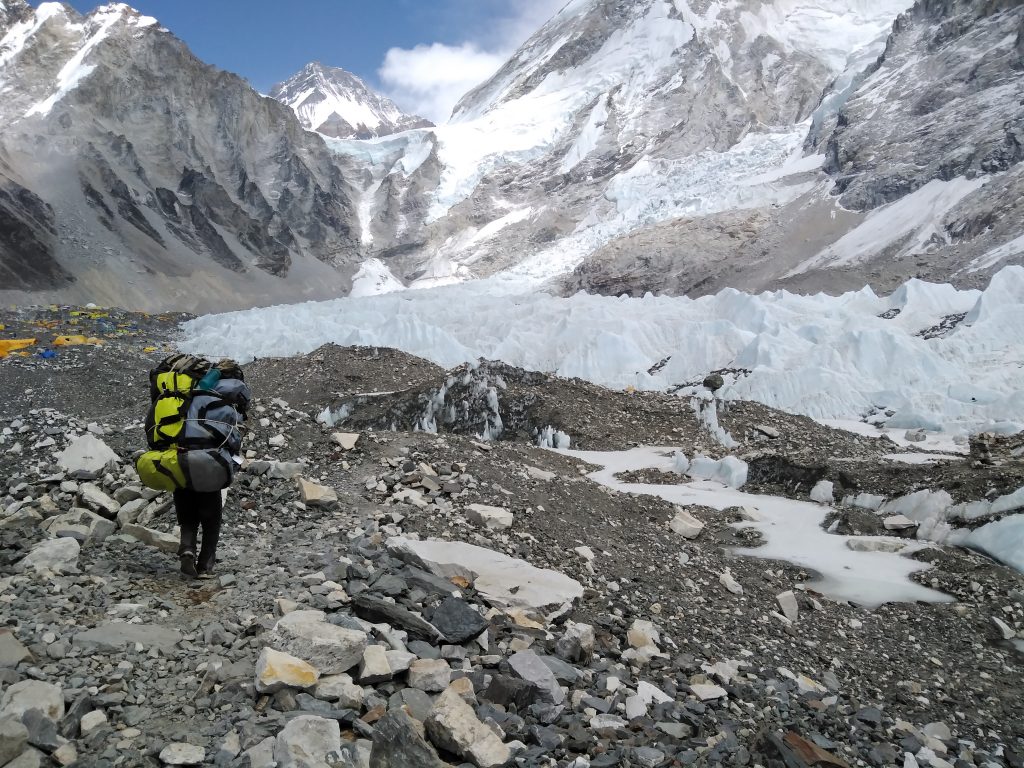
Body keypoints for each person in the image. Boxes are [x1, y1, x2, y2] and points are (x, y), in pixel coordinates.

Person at [175, 488, 223, 578]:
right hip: (209, 484)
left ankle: (187, 549)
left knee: (188, 521)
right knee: (211, 525)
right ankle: (204, 566)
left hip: (182, 482)